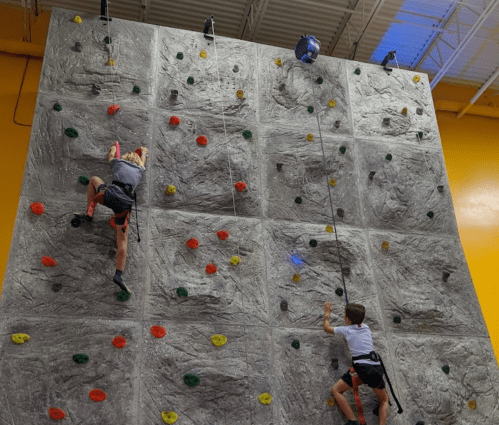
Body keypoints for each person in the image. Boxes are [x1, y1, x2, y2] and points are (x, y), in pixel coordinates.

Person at [74, 143, 148, 294]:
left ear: (124, 158)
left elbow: (110, 158)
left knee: (94, 180)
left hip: (108, 195)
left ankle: (89, 214)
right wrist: (144, 153)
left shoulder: (119, 162)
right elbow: (142, 163)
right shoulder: (140, 169)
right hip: (124, 205)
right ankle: (118, 275)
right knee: (122, 241)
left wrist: (113, 149)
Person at [323, 302, 389, 425]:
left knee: (336, 390)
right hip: (375, 367)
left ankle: (352, 420)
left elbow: (327, 328)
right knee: (384, 400)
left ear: (347, 319)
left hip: (361, 369)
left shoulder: (346, 330)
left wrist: (327, 314)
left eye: (345, 316)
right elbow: (356, 325)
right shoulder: (366, 327)